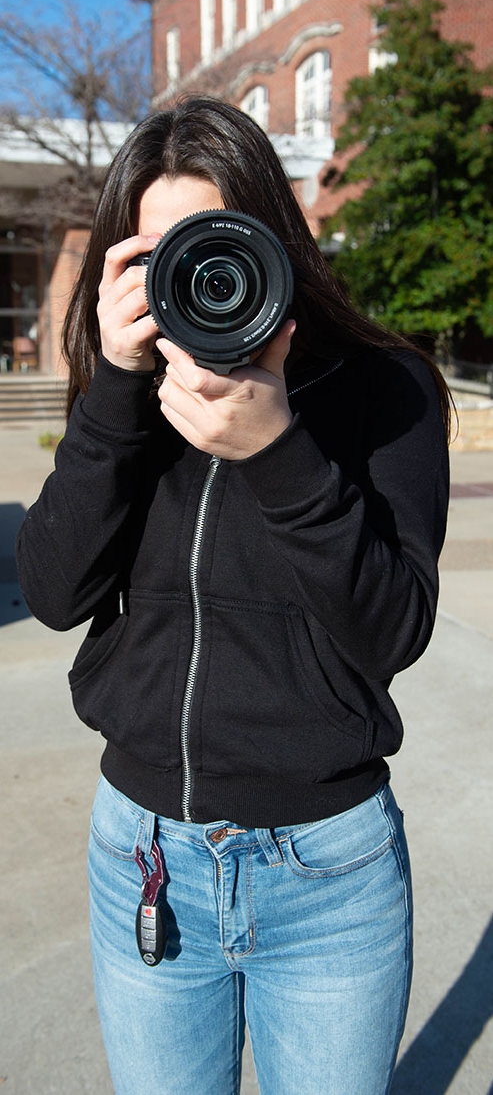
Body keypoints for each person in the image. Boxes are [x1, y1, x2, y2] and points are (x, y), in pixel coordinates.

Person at [16, 96, 450, 1095]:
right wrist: (118, 398)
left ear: (273, 236)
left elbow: (393, 627)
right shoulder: (125, 393)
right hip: (144, 853)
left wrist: (280, 451)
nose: (192, 276)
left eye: (213, 241)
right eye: (154, 252)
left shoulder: (383, 388)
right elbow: (50, 586)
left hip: (328, 872)